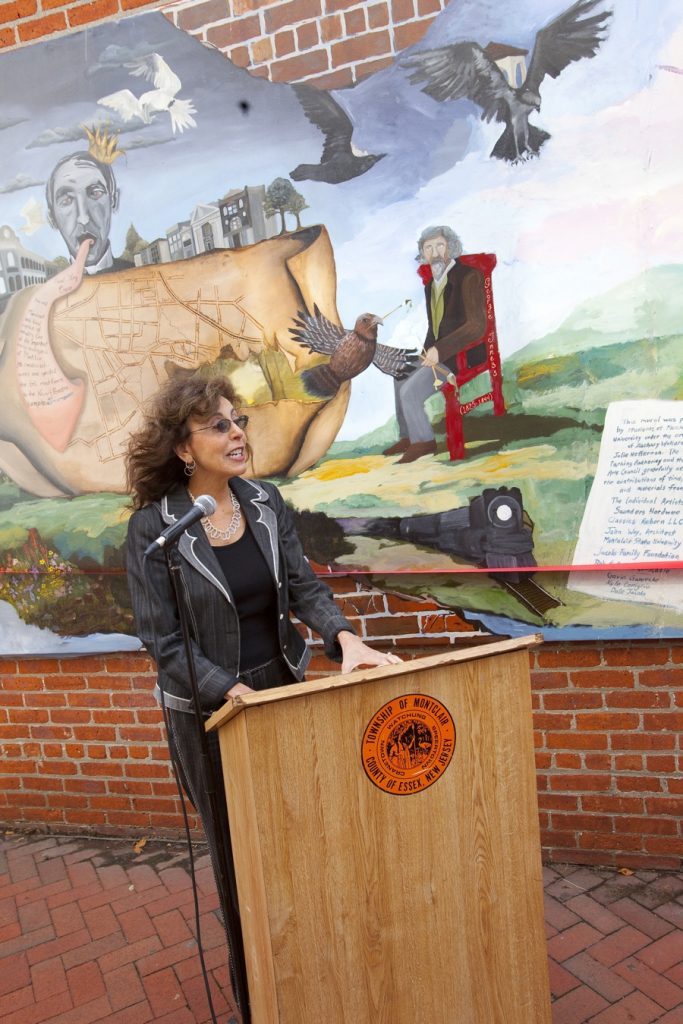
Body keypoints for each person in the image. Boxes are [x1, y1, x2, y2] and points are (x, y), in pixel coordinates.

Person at [125, 373, 400, 954]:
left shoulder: (264, 502)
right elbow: (163, 640)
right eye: (218, 425)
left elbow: (302, 584)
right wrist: (227, 690)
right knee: (235, 849)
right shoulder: (156, 528)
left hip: (277, 688)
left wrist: (343, 637)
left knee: (295, 828)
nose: (236, 433)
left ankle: (305, 957)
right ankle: (255, 976)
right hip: (209, 711)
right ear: (183, 448)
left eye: (238, 420)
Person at [384, 225, 487, 464]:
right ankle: (409, 436)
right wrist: (425, 351)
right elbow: (436, 327)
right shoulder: (432, 284)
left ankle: (424, 442)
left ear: (450, 247)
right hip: (440, 353)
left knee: (410, 391)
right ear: (423, 253)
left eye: (439, 245)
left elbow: (476, 326)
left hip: (463, 354)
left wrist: (440, 350)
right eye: (428, 247)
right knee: (399, 372)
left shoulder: (469, 276)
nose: (435, 252)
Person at [46, 151, 132, 274]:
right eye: (66, 201)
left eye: (95, 193)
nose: (84, 218)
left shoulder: (141, 276)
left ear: (113, 200)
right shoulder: (49, 292)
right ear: (52, 219)